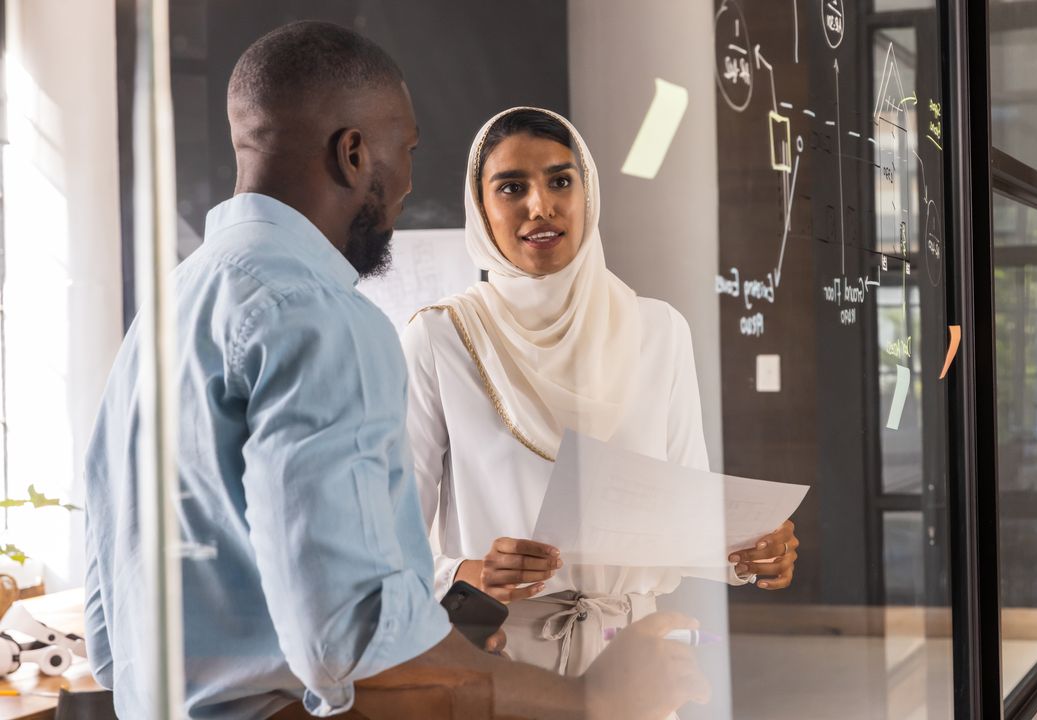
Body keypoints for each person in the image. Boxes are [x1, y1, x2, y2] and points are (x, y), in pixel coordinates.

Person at [83, 23, 708, 720]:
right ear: (355, 154)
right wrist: (596, 699)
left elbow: (109, 633)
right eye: (406, 150)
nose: (409, 184)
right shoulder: (327, 321)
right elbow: (361, 649)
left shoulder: (166, 311)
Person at [404, 107, 800, 676]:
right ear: (480, 208)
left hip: (633, 651)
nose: (540, 205)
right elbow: (390, 546)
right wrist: (466, 574)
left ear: (587, 193)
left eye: (560, 181)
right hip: (497, 655)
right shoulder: (441, 338)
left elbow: (683, 516)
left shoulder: (659, 330)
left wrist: (752, 554)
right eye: (511, 187)